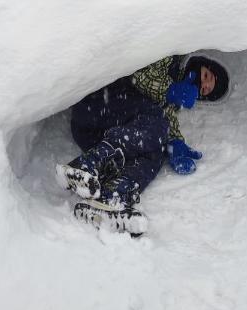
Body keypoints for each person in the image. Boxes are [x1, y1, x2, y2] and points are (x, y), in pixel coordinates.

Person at [55, 54, 229, 235]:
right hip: (97, 107)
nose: (203, 85)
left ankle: (112, 197)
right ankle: (88, 165)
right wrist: (170, 90)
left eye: (206, 90)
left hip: (97, 137)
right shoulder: (169, 61)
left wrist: (176, 143)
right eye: (207, 76)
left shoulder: (171, 105)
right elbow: (139, 77)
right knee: (156, 120)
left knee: (157, 150)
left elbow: (168, 120)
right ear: (198, 64)